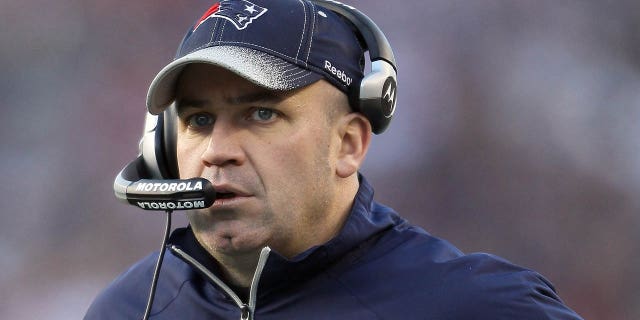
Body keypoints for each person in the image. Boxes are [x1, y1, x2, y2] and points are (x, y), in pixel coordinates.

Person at [85, 0, 584, 319]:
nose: (217, 150)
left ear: (348, 144)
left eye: (261, 113)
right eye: (198, 120)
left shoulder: (482, 308)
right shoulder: (125, 311)